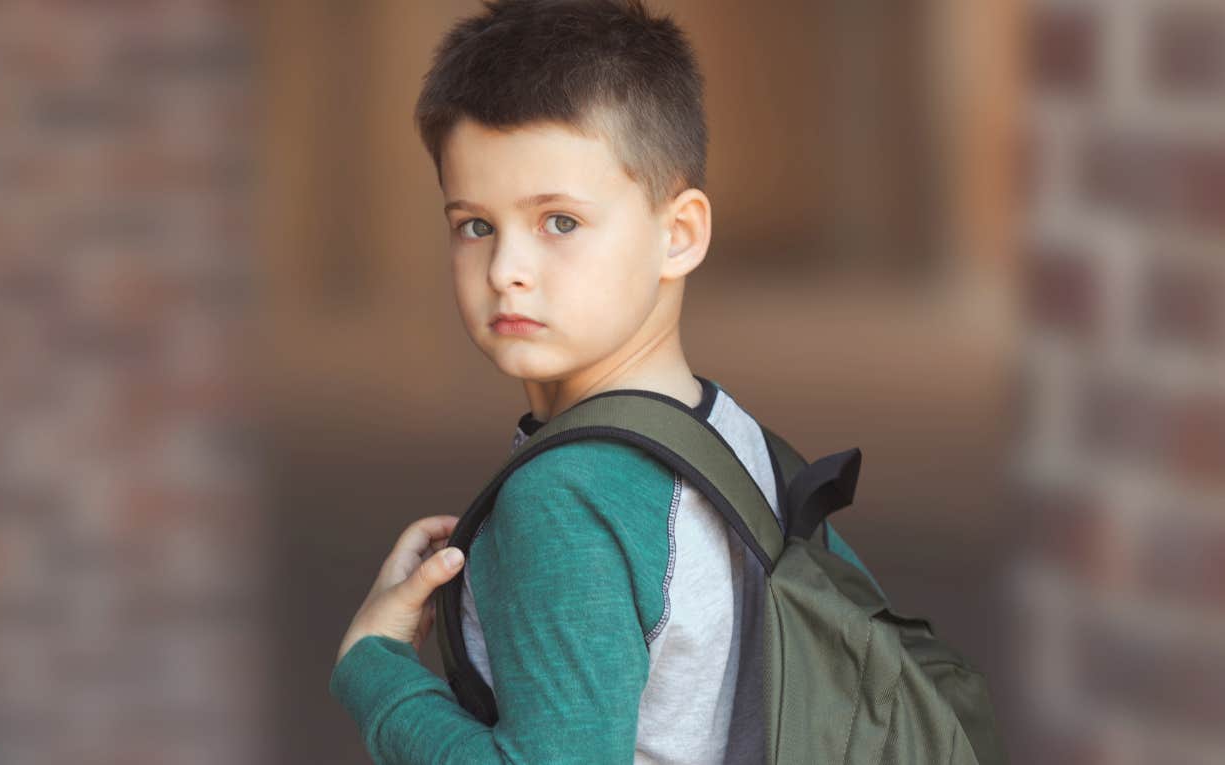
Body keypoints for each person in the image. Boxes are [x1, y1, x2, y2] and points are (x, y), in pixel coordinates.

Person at [329, 1, 871, 762]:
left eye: (559, 222)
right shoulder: (736, 438)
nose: (506, 270)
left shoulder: (564, 499)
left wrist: (376, 669)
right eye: (474, 224)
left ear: (677, 234)